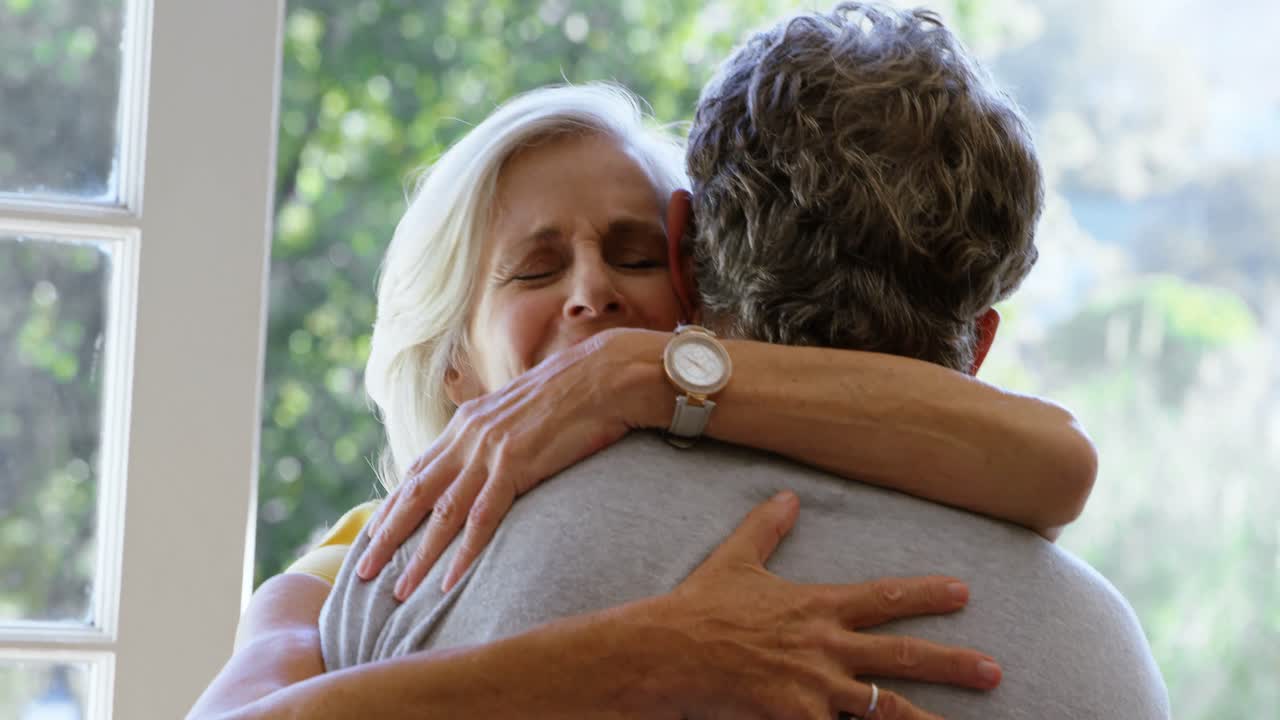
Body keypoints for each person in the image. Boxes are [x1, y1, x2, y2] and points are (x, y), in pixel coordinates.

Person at [189, 9, 1103, 720]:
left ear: (689, 275)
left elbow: (1059, 460)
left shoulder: (773, 422)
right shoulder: (369, 559)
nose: (592, 299)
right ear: (450, 363)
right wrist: (643, 657)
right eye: (537, 269)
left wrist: (640, 375)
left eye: (630, 259)